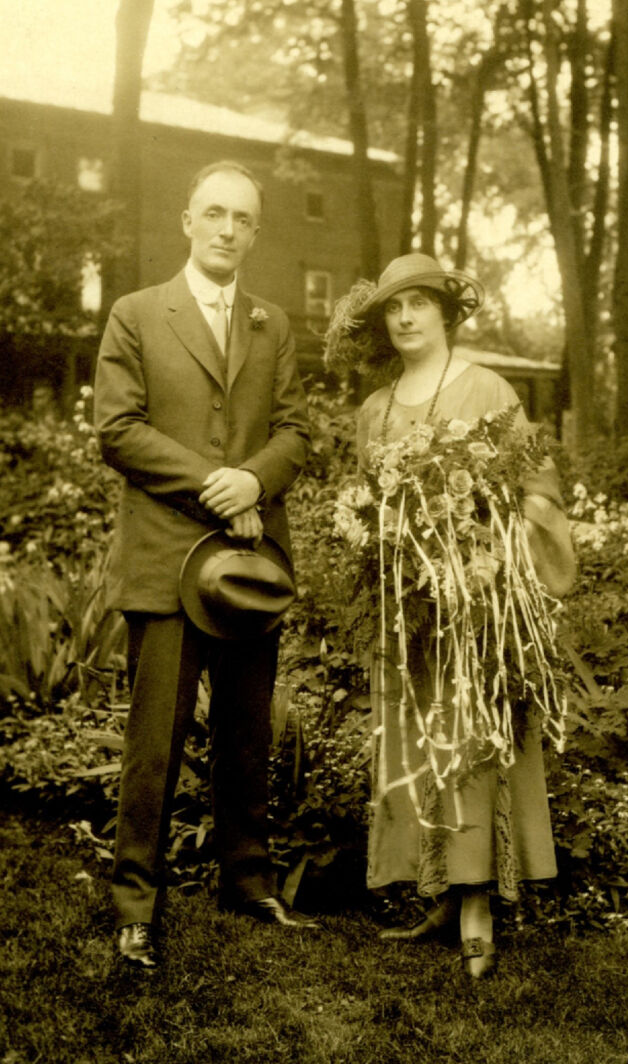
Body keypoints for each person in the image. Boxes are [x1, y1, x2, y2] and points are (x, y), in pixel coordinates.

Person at [94, 160, 316, 971]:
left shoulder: (273, 322)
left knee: (247, 731)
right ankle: (134, 905)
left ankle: (246, 880)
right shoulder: (136, 313)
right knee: (155, 739)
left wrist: (256, 478)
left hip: (252, 563)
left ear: (256, 232)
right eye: (214, 213)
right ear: (188, 220)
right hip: (165, 559)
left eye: (243, 218)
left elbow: (295, 430)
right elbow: (116, 429)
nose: (227, 229)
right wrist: (220, 488)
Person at [331, 253, 574, 978]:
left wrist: (488, 539)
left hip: (474, 609)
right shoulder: (375, 409)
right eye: (393, 310)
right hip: (410, 612)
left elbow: (536, 485)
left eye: (418, 305)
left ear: (445, 312)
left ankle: (476, 905)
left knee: (468, 743)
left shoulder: (488, 388)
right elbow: (367, 499)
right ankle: (436, 892)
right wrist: (375, 529)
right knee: (415, 743)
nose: (405, 319)